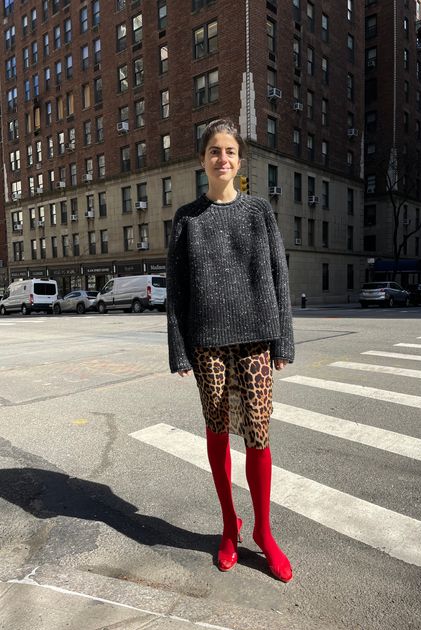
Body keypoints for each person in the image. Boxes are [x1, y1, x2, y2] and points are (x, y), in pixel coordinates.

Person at [166, 119, 294, 582]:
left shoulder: (259, 212)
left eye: (231, 152)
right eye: (215, 151)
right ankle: (228, 526)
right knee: (218, 430)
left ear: (240, 162)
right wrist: (178, 350)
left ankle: (263, 530)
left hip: (257, 337)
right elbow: (176, 291)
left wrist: (284, 339)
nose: (223, 159)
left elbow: (279, 276)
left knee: (257, 432)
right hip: (208, 342)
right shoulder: (187, 218)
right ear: (203, 161)